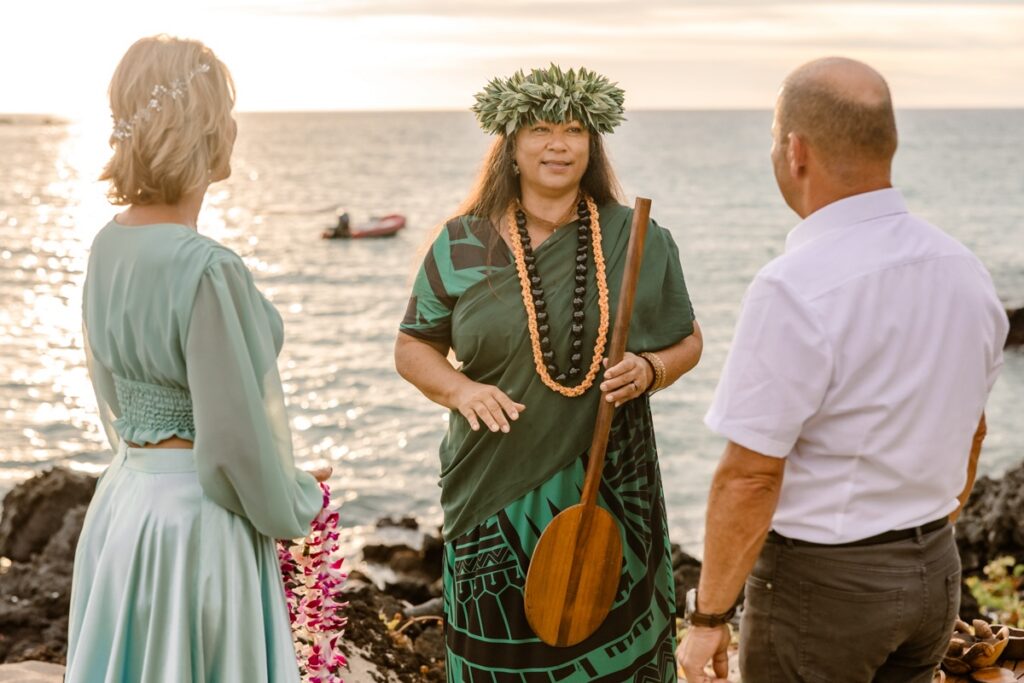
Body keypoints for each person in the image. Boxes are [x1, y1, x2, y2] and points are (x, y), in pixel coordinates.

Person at [677, 57, 1009, 683]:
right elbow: (974, 430)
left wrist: (708, 617)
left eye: (775, 138)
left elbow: (748, 478)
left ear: (795, 151)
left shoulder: (794, 287)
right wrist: (922, 537)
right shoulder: (964, 269)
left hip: (824, 593)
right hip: (934, 573)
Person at [395, 64, 703, 681]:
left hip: (608, 482)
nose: (557, 144)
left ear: (593, 147)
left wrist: (650, 368)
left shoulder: (635, 234)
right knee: (497, 653)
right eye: (539, 129)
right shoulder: (461, 243)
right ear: (510, 146)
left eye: (573, 130)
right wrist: (460, 389)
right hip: (491, 487)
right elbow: (413, 347)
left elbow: (687, 341)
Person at [66, 35, 330, 682]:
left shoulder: (106, 246)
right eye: (227, 110)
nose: (235, 126)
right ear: (204, 127)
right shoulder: (209, 269)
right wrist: (298, 504)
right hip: (197, 530)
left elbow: (111, 393)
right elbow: (232, 444)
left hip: (126, 505)